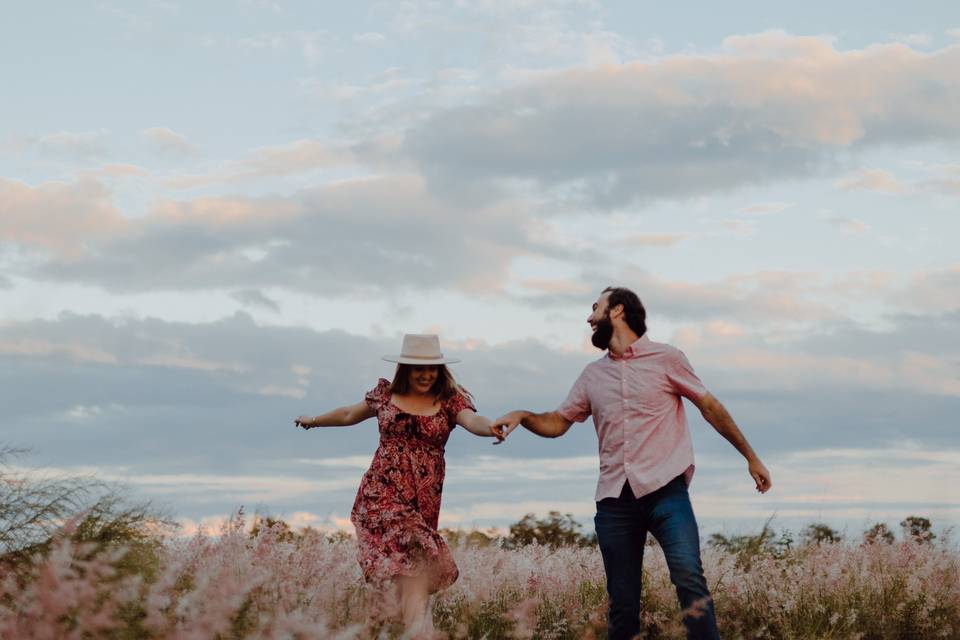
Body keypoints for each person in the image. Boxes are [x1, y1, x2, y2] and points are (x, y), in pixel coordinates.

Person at [492, 287, 772, 640]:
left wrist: (750, 456)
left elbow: (710, 407)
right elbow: (558, 422)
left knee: (689, 577)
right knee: (622, 601)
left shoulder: (668, 358)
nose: (589, 316)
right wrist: (522, 415)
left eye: (596, 308)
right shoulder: (592, 376)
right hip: (614, 501)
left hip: (666, 492)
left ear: (618, 310)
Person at [295, 334, 498, 637]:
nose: (426, 374)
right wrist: (313, 419)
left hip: (423, 497)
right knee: (408, 559)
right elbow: (350, 414)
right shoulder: (385, 395)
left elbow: (472, 421)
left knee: (408, 570)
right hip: (381, 490)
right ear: (405, 369)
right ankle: (417, 631)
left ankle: (402, 628)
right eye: (419, 369)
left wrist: (492, 428)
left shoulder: (451, 400)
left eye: (432, 369)